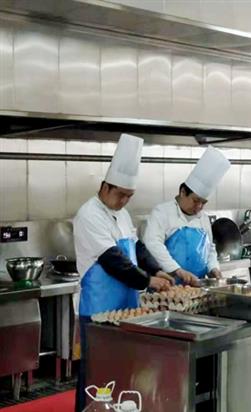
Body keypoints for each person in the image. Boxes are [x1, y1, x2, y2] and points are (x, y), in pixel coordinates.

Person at [73, 134, 173, 412]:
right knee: (96, 375)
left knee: (122, 373)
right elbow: (113, 260)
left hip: (126, 307)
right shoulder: (89, 215)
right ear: (105, 186)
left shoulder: (122, 214)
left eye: (129, 196)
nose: (124, 201)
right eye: (121, 195)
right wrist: (148, 280)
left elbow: (136, 247)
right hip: (99, 310)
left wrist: (157, 269)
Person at [143, 146, 231, 284]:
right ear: (183, 192)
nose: (199, 207)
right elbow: (153, 244)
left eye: (203, 203)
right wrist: (177, 270)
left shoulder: (203, 218)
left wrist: (213, 267)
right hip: (167, 286)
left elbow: (210, 249)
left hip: (198, 286)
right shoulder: (162, 212)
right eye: (196, 201)